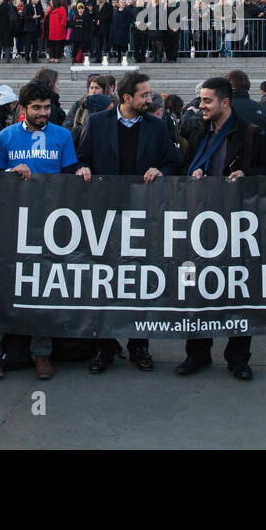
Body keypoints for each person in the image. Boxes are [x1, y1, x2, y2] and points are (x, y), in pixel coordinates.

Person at [75, 71, 183, 372]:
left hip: (142, 215)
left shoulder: (157, 126)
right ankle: (104, 348)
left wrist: (161, 171)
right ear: (126, 98)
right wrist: (82, 169)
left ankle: (139, 346)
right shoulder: (96, 124)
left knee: (140, 282)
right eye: (144, 95)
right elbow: (81, 158)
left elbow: (173, 162)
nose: (150, 99)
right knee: (105, 283)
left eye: (149, 95)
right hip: (104, 215)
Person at [176, 76, 266, 380]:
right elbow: (185, 167)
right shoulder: (198, 131)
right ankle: (197, 353)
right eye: (200, 100)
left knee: (238, 291)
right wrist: (192, 171)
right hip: (201, 223)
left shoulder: (251, 134)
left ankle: (238, 358)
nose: (201, 106)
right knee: (197, 290)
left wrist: (246, 174)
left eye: (207, 101)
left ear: (225, 102)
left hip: (238, 224)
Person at [0, 80, 83, 380]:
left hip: (48, 223)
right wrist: (9, 173)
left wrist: (82, 171)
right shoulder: (6, 137)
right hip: (11, 222)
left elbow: (69, 176)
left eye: (47, 107)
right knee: (1, 287)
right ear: (23, 108)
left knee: (43, 289)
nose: (43, 113)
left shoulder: (63, 136)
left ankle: (42, 353)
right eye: (37, 108)